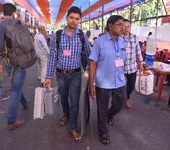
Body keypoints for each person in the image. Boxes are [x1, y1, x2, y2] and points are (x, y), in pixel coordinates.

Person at [44, 6, 90, 142]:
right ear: (67, 18)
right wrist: (48, 77)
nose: (74, 21)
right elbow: (52, 57)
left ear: (79, 20)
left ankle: (73, 127)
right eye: (72, 17)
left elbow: (89, 55)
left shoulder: (82, 36)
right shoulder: (56, 36)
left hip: (76, 74)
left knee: (75, 101)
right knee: (63, 98)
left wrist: (87, 71)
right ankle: (66, 114)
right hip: (61, 74)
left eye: (77, 19)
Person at [89, 15, 126, 145]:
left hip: (119, 81)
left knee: (120, 103)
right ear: (110, 26)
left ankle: (111, 114)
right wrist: (91, 84)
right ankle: (103, 132)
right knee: (101, 109)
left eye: (124, 25)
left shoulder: (122, 41)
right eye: (120, 24)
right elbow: (93, 63)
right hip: (103, 82)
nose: (123, 27)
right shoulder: (100, 42)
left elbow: (122, 60)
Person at [0, 3, 29, 130]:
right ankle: (11, 120)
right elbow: (26, 42)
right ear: (14, 12)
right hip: (19, 61)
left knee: (16, 85)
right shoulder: (18, 24)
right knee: (15, 89)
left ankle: (25, 103)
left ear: (3, 13)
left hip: (6, 61)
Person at [123, 19, 143, 109]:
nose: (126, 28)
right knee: (119, 87)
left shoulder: (134, 37)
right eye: (124, 26)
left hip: (132, 67)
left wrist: (140, 62)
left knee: (131, 86)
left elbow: (138, 51)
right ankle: (119, 101)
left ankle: (126, 98)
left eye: (128, 26)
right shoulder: (118, 38)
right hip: (120, 68)